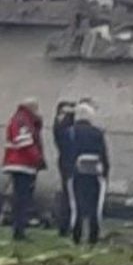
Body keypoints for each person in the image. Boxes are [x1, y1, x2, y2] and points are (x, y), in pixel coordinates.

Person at [65, 102, 109, 246]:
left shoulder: (71, 132)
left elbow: (67, 152)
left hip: (76, 173)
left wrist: (68, 171)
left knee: (76, 205)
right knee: (95, 206)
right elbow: (103, 154)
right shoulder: (98, 133)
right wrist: (105, 172)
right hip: (95, 174)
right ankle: (93, 236)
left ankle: (76, 235)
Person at [2, 98, 46, 241]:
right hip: (21, 164)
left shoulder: (24, 119)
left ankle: (20, 228)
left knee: (22, 199)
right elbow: (25, 143)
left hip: (23, 164)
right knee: (21, 199)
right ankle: (19, 231)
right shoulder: (22, 120)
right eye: (36, 108)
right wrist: (38, 159)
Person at [52, 100, 76, 237]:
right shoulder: (62, 126)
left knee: (69, 194)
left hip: (66, 161)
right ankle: (65, 225)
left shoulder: (62, 124)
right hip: (68, 162)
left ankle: (66, 224)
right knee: (69, 194)